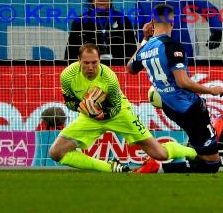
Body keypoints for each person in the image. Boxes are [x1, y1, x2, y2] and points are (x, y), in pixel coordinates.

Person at [49, 43, 199, 172]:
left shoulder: (109, 78)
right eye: (86, 63)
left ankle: (194, 151)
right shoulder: (67, 75)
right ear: (79, 60)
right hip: (89, 116)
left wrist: (98, 113)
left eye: (94, 63)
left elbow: (115, 108)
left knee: (160, 154)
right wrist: (84, 108)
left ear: (100, 61)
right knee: (56, 152)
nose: (90, 67)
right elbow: (69, 101)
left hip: (119, 114)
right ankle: (110, 168)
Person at [127, 3, 223, 173]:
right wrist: (212, 90)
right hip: (189, 108)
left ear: (152, 23)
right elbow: (183, 82)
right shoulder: (172, 46)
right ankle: (159, 165)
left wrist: (144, 38)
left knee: (201, 151)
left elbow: (130, 68)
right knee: (212, 164)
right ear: (172, 22)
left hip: (169, 108)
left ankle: (210, 131)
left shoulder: (145, 48)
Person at [64, 0, 137, 65]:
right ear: (92, 0)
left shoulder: (123, 20)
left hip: (118, 67)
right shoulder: (80, 21)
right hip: (89, 67)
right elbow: (71, 51)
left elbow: (131, 49)